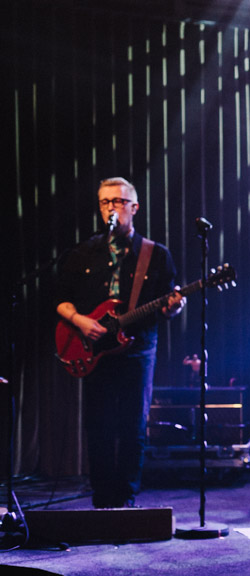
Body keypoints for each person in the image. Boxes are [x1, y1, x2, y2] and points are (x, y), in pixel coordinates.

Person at [56, 177, 185, 508]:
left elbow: (167, 304)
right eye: (105, 202)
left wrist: (173, 307)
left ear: (134, 208)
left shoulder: (155, 255)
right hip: (93, 347)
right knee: (98, 424)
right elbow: (59, 299)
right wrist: (81, 321)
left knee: (132, 425)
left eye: (118, 202)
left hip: (137, 348)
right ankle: (102, 498)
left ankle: (126, 498)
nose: (111, 208)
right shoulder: (83, 252)